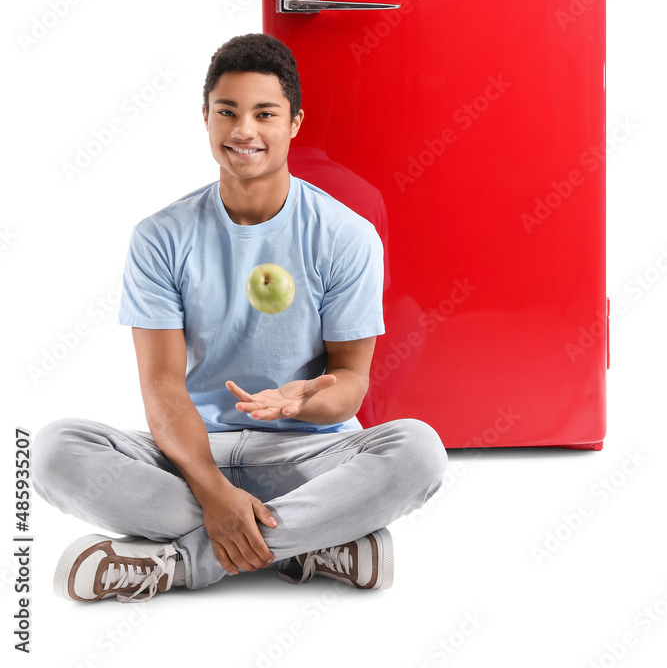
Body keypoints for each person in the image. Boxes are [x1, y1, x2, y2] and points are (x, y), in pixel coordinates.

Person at [33, 33, 447, 603]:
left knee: (419, 451)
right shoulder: (160, 237)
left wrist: (306, 399)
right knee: (53, 451)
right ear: (205, 118)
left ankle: (180, 562)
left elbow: (350, 383)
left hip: (307, 454)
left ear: (294, 123)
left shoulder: (347, 236)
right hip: (189, 452)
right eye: (226, 112)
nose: (243, 130)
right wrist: (211, 490)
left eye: (265, 113)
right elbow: (160, 386)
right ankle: (314, 541)